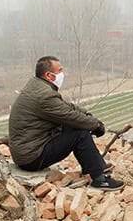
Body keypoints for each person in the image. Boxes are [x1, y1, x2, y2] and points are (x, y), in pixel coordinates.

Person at [8, 55, 123, 191]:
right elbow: (71, 116)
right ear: (49, 75)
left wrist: (87, 115)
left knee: (75, 126)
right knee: (80, 132)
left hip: (27, 151)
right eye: (59, 71)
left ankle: (97, 165)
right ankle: (99, 179)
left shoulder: (38, 86)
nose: (62, 74)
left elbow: (66, 106)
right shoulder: (44, 96)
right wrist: (96, 125)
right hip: (32, 158)